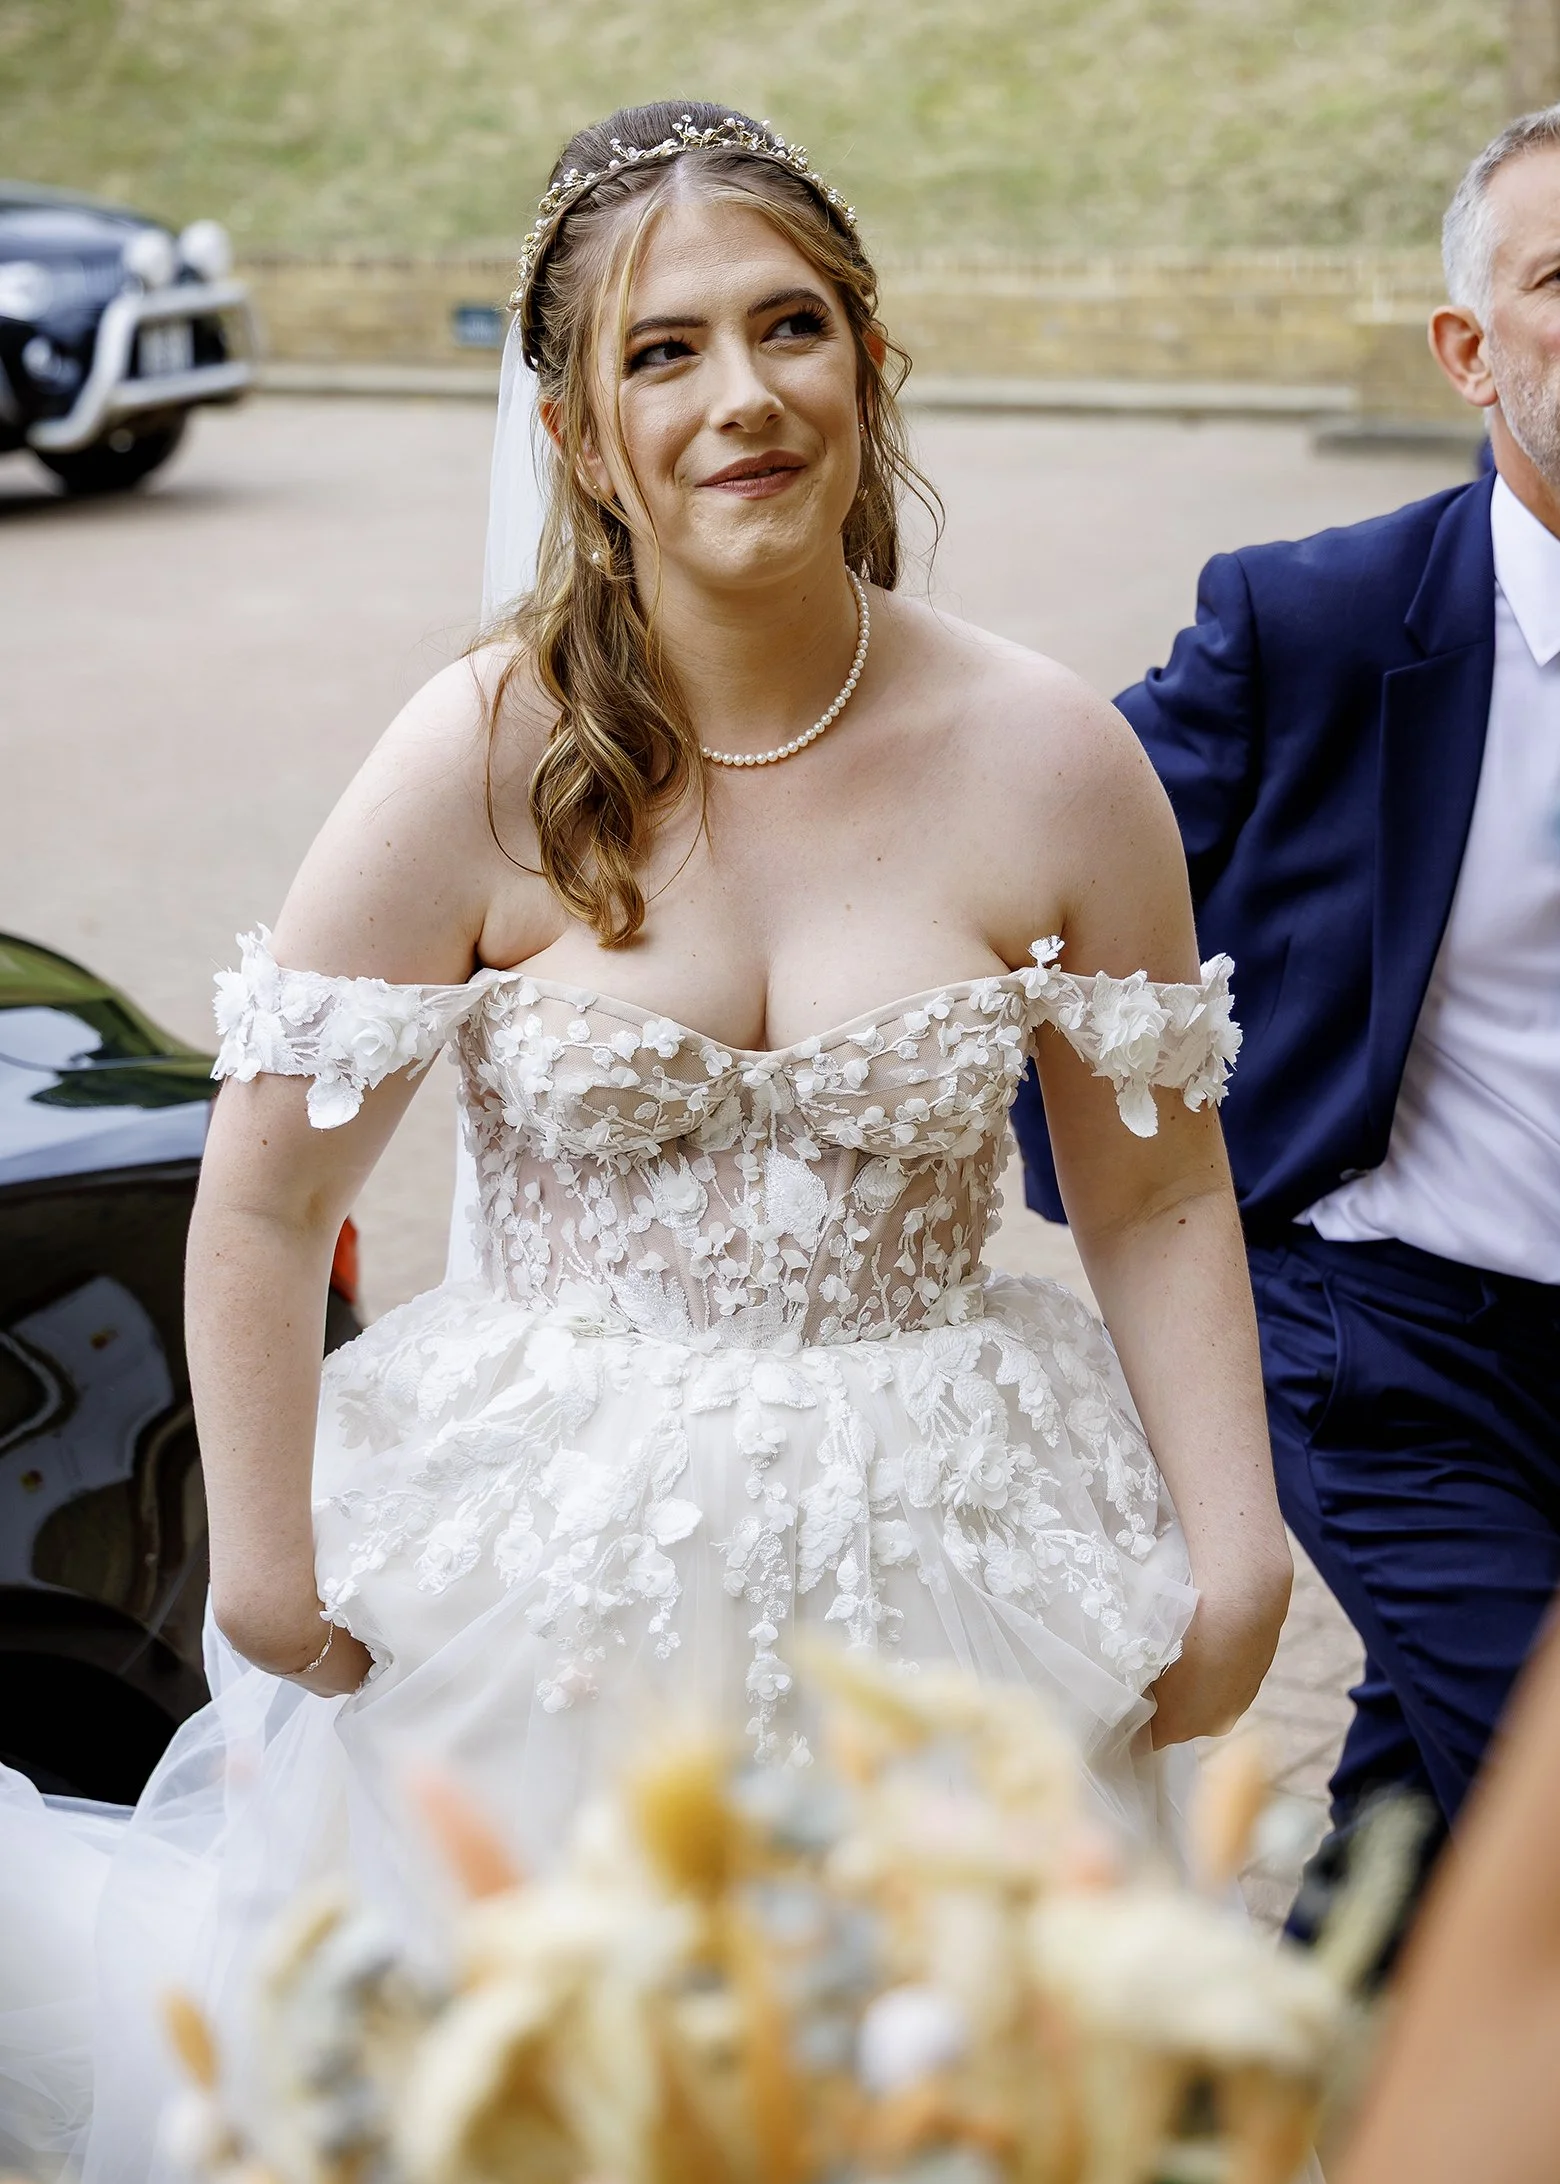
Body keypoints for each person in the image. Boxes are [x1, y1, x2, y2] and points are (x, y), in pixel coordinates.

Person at [0, 102, 1290, 2177]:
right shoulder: (484, 752)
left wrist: (1238, 1546)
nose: (741, 397)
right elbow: (267, 1195)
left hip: (951, 1587)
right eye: (662, 352)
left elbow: (1150, 1195)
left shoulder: (1053, 757)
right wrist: (264, 1559)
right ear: (579, 435)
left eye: (789, 327)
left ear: (870, 364)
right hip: (543, 1599)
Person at [1012, 105, 1560, 1943]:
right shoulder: (1313, 622)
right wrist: (1127, 1189)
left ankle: (1286, 2058)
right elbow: (1036, 869)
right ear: (1468, 349)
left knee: (1422, 1820)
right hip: (1388, 1336)